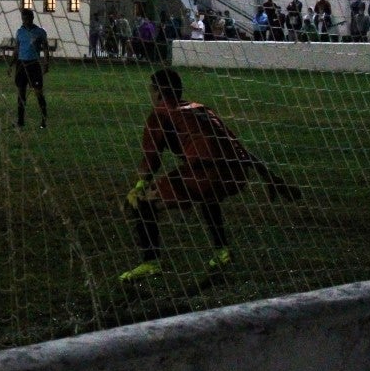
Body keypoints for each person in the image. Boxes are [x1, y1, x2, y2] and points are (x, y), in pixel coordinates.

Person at [118, 69, 300, 282]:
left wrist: (139, 187)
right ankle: (222, 251)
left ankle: (150, 262)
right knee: (208, 196)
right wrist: (270, 176)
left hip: (206, 172)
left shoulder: (160, 114)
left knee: (143, 203)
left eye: (151, 89)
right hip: (237, 173)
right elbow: (236, 147)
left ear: (158, 92)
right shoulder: (202, 109)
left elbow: (151, 160)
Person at [9, 8, 50, 129]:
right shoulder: (20, 32)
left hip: (34, 65)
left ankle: (43, 120)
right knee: (21, 93)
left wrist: (46, 63)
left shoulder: (40, 32)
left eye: (26, 18)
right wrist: (11, 65)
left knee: (38, 93)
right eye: (23, 18)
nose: (24, 20)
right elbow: (17, 49)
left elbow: (46, 48)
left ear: (32, 18)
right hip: (21, 65)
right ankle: (20, 121)